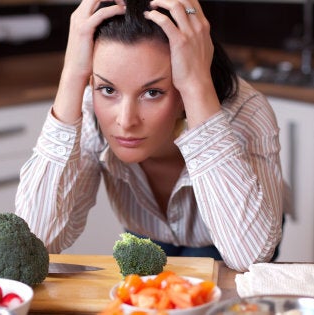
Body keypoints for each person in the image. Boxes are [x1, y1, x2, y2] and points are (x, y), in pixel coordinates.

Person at [15, 0, 285, 272]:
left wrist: (196, 86)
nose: (125, 120)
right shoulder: (88, 108)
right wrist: (72, 73)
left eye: (152, 92)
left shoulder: (244, 113)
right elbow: (34, 242)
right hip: (146, 233)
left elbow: (249, 257)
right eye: (107, 89)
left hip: (232, 237)